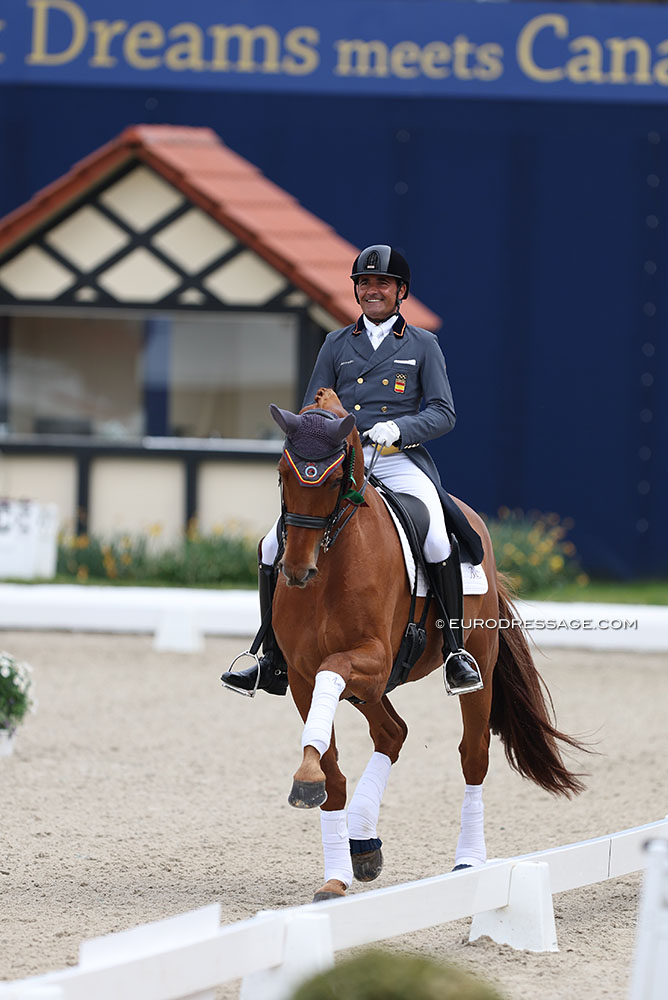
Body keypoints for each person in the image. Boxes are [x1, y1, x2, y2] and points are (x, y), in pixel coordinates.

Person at [221, 244, 481, 698]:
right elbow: (311, 409)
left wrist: (399, 428)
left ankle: (456, 651)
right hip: (342, 463)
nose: (372, 291)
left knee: (438, 536)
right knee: (269, 546)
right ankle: (269, 656)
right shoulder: (336, 343)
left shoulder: (422, 345)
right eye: (364, 283)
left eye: (382, 283)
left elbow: (443, 413)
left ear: (400, 291)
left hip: (398, 458)